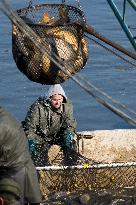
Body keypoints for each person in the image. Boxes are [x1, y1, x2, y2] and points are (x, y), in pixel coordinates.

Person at [23, 84, 78, 166]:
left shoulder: (67, 105)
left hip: (57, 135)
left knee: (70, 143)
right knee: (34, 150)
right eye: (55, 100)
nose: (58, 102)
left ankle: (69, 165)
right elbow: (29, 129)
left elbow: (70, 124)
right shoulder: (37, 107)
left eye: (60, 99)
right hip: (40, 136)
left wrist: (68, 136)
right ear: (49, 99)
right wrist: (34, 140)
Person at [0, 106, 42, 205]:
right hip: (19, 166)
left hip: (15, 172)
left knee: (14, 200)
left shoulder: (2, 125)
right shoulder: (4, 115)